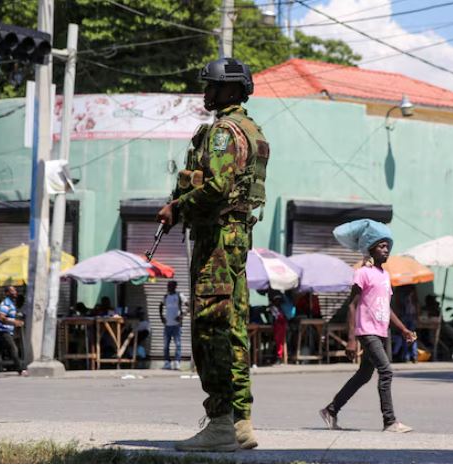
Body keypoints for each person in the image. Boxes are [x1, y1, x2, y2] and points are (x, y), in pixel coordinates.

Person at [157, 57, 269, 452]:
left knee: (211, 326)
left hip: (218, 238)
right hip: (236, 236)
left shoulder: (223, 131)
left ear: (234, 90)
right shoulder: (250, 129)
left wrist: (178, 207)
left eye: (213, 87)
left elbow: (218, 185)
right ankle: (240, 422)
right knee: (233, 326)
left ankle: (221, 421)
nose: (206, 93)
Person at [320, 220, 415, 433]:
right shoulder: (362, 273)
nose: (386, 249)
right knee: (386, 371)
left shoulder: (385, 276)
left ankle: (331, 410)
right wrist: (352, 339)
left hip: (381, 332)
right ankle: (389, 421)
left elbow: (386, 308)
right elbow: (352, 305)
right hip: (367, 331)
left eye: (387, 246)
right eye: (381, 246)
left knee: (364, 375)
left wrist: (404, 330)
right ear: (370, 248)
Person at [0, 286, 27, 376]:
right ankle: (21, 369)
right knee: (13, 348)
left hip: (7, 330)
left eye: (15, 290)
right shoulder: (6, 304)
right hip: (3, 330)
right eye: (12, 291)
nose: (15, 292)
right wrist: (14, 322)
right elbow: (1, 318)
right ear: (7, 293)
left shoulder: (11, 303)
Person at [159, 281, 188, 370]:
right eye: (168, 286)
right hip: (167, 325)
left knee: (178, 344)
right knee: (166, 345)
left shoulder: (179, 296)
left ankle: (177, 362)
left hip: (176, 325)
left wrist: (182, 316)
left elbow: (189, 305)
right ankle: (167, 363)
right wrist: (162, 317)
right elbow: (160, 306)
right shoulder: (166, 297)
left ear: (175, 287)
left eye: (170, 286)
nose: (168, 287)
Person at [392, 286, 418, 363]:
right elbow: (416, 302)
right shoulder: (411, 289)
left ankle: (408, 356)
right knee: (411, 336)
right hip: (408, 316)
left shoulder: (400, 289)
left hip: (405, 316)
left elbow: (397, 303)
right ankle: (412, 356)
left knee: (407, 336)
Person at [268, 291, 287, 364]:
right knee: (277, 342)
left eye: (279, 300)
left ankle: (279, 357)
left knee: (279, 342)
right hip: (277, 326)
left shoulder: (281, 309)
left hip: (280, 327)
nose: (278, 302)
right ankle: (277, 357)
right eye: (276, 300)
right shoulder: (273, 308)